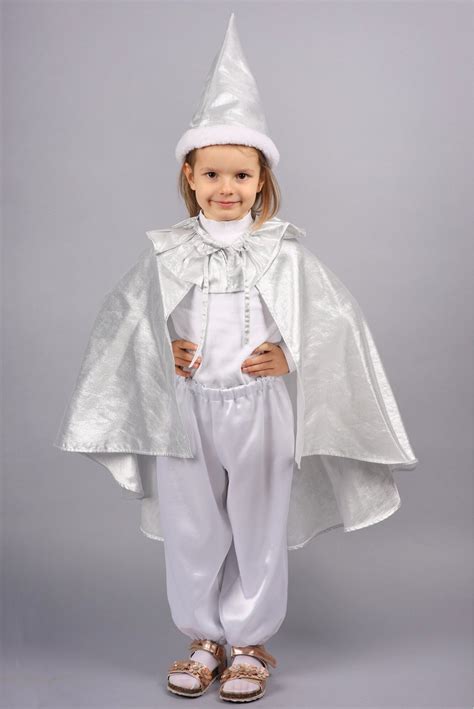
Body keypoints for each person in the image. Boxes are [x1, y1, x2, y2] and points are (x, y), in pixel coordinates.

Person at [54, 13, 418, 703]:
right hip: (186, 411)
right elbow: (124, 323)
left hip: (260, 411)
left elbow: (333, 322)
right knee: (193, 525)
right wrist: (162, 349)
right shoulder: (168, 252)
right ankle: (202, 637)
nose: (228, 187)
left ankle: (249, 642)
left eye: (242, 175)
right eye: (213, 173)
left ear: (262, 179)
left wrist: (289, 354)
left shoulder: (284, 252)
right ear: (189, 176)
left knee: (258, 520)